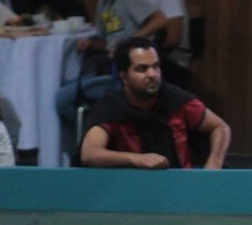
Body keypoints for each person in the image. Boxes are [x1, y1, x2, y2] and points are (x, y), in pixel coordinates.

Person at [54, 0, 168, 129]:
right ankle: (98, 134)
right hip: (108, 66)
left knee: (63, 98)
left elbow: (160, 19)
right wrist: (91, 44)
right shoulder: (103, 1)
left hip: (123, 75)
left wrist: (130, 43)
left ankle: (97, 135)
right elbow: (107, 41)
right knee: (65, 92)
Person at [79, 37, 230, 170]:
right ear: (124, 77)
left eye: (156, 67)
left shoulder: (175, 99)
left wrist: (213, 166)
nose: (152, 74)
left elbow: (220, 127)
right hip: (132, 192)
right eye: (142, 69)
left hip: (182, 189)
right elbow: (89, 153)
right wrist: (136, 159)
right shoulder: (112, 108)